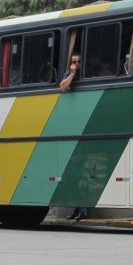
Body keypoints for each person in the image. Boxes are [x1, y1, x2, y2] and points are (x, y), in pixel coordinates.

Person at [59, 53, 88, 221]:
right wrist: (72, 73)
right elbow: (63, 87)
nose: (76, 65)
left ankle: (82, 210)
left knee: (81, 174)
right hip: (72, 126)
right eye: (74, 62)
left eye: (78, 62)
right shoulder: (69, 74)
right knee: (74, 175)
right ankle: (78, 209)